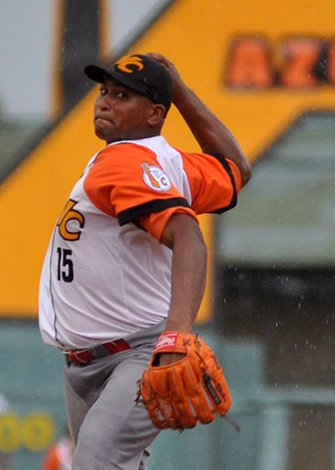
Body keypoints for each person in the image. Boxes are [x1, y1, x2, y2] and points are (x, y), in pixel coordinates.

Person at [37, 52, 251, 469]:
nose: (104, 102)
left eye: (121, 95)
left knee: (94, 463)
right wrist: (182, 95)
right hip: (89, 361)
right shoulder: (169, 164)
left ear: (155, 114)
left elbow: (189, 237)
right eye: (104, 91)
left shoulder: (124, 162)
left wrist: (177, 335)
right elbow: (234, 169)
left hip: (132, 356)